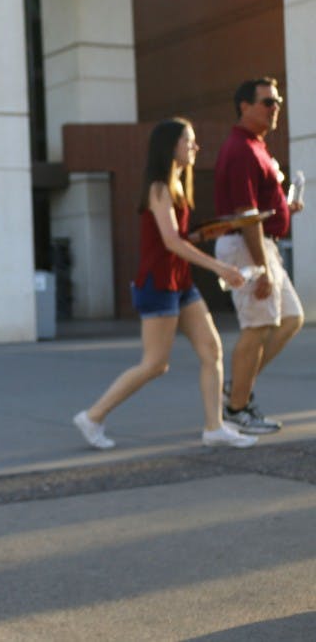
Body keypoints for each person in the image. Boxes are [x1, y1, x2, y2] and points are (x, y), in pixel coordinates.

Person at [72, 118, 256, 450]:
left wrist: (203, 234)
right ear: (171, 146)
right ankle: (93, 416)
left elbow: (177, 238)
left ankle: (214, 427)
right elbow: (171, 243)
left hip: (180, 281)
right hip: (159, 283)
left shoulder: (176, 186)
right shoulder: (159, 188)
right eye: (190, 141)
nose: (195, 147)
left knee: (211, 349)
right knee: (155, 363)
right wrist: (220, 267)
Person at [213, 77, 305, 435]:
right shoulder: (241, 150)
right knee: (258, 327)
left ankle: (236, 389)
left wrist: (283, 210)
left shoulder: (257, 146)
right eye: (268, 102)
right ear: (244, 106)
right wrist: (262, 269)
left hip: (260, 243)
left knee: (291, 318)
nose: (275, 107)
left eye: (277, 101)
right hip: (245, 245)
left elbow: (259, 212)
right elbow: (246, 215)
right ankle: (237, 407)